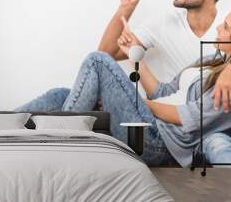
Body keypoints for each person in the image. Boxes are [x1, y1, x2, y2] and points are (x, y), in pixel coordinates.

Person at [16, 13, 231, 167]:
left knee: (99, 61)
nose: (219, 27)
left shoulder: (227, 86)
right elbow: (163, 93)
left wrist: (135, 102)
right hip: (151, 121)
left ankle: (57, 146)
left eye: (227, 27)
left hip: (161, 143)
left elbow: (187, 118)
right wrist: (134, 56)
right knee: (61, 94)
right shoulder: (209, 61)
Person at [99, 0, 231, 112]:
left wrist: (228, 71)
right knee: (61, 94)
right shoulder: (164, 23)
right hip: (164, 109)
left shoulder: (227, 24)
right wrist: (127, 7)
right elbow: (106, 54)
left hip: (204, 123)